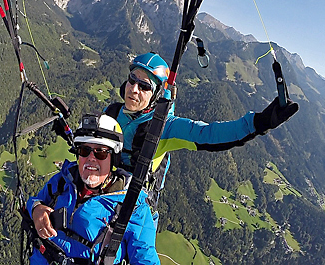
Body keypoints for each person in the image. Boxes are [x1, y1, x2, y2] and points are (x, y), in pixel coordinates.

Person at [104, 52, 299, 209]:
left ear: (156, 95)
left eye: (144, 86)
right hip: (103, 188)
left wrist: (260, 122)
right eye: (132, 79)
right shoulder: (112, 112)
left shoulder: (164, 127)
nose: (134, 89)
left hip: (134, 206)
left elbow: (209, 134)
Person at [25, 113, 160, 265]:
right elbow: (35, 201)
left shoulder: (133, 206)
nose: (91, 158)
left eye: (101, 153)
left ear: (113, 158)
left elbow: (145, 258)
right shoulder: (63, 181)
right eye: (84, 151)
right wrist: (36, 209)